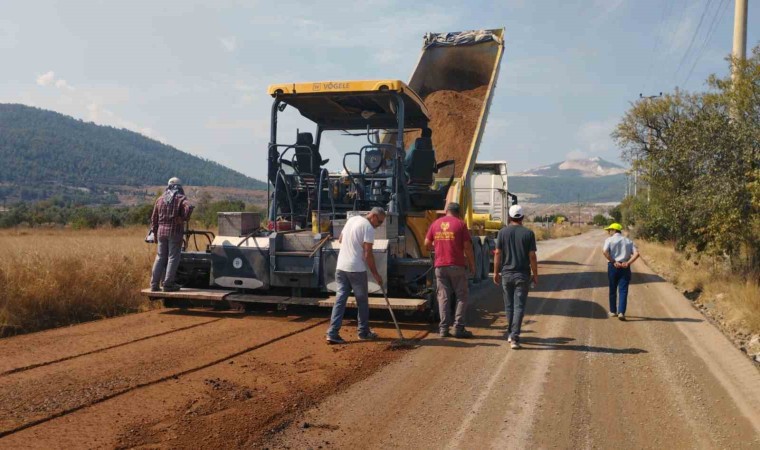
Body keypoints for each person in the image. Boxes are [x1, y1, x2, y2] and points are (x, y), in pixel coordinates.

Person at [326, 207, 386, 344]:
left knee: (340, 299)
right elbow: (367, 253)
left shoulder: (352, 220)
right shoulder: (368, 228)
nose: (379, 225)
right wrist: (376, 274)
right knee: (362, 302)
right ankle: (363, 332)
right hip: (356, 269)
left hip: (341, 267)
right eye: (380, 222)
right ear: (374, 217)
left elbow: (341, 239)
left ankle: (332, 332)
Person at [424, 202, 476, 338]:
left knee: (443, 297)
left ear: (446, 211)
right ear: (458, 212)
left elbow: (427, 244)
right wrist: (472, 264)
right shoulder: (460, 224)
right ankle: (458, 328)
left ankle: (443, 329)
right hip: (456, 265)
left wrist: (438, 248)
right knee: (462, 296)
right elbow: (467, 247)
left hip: (440, 266)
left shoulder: (435, 224)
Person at [493, 204, 537, 349]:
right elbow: (532, 256)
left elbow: (498, 253)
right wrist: (535, 274)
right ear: (522, 217)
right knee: (519, 307)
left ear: (509, 217)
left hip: (506, 274)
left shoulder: (502, 233)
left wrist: (495, 272)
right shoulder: (528, 233)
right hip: (522, 275)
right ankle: (514, 337)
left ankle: (510, 333)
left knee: (509, 306)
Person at [150, 177, 193, 292]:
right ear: (179, 187)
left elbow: (154, 218)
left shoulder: (160, 199)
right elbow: (189, 207)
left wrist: (154, 233)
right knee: (173, 257)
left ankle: (154, 285)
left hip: (161, 232)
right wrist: (183, 218)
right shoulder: (180, 198)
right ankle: (168, 284)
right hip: (175, 232)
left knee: (160, 257)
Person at [602, 223, 640, 321]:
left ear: (614, 230)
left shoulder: (609, 240)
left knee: (612, 289)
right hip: (625, 267)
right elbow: (636, 254)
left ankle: (613, 311)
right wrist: (628, 263)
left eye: (609, 230)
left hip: (613, 266)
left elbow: (605, 252)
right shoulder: (628, 241)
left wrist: (613, 261)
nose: (608, 232)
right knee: (623, 290)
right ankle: (621, 312)